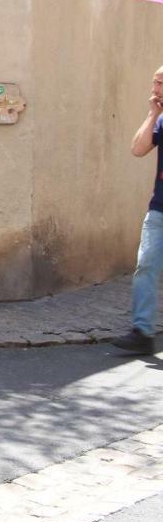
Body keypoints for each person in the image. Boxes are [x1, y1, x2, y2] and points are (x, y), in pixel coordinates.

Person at [112, 64, 163, 355]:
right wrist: (152, 114)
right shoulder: (161, 119)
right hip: (159, 209)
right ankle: (142, 332)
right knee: (145, 266)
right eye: (154, 83)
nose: (154, 90)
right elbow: (138, 149)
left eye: (160, 84)